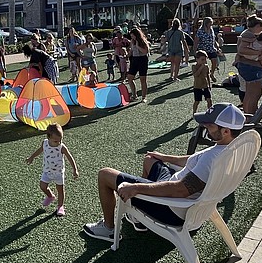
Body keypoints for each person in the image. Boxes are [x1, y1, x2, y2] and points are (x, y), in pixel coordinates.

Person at [83, 103, 248, 241]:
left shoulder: (212, 158)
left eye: (210, 125)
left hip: (172, 207)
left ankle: (109, 228)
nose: (204, 126)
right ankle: (139, 215)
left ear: (225, 131)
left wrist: (137, 188)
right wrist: (164, 157)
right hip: (182, 199)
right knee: (150, 160)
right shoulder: (231, 150)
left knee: (105, 174)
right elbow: (194, 159)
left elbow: (180, 190)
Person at [25, 123, 79, 217]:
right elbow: (40, 150)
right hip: (47, 171)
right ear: (49, 138)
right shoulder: (45, 143)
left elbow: (70, 158)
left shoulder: (61, 147)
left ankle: (60, 206)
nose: (58, 142)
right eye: (55, 141)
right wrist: (32, 157)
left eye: (60, 140)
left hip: (58, 172)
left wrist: (75, 169)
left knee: (60, 190)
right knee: (42, 186)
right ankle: (50, 196)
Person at [234, 15, 262, 116]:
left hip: (249, 66)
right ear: (257, 26)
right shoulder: (249, 35)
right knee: (254, 94)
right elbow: (241, 50)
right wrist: (259, 53)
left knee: (251, 93)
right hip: (251, 67)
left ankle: (249, 115)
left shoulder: (247, 34)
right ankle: (250, 116)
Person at [126, 27, 150, 102]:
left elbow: (146, 51)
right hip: (135, 60)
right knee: (130, 77)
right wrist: (127, 55)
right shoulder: (132, 42)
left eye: (133, 35)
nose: (132, 37)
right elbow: (131, 52)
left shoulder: (142, 41)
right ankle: (134, 95)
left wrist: (137, 46)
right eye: (131, 36)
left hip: (142, 59)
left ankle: (144, 97)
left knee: (142, 79)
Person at [192, 50, 213, 114]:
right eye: (202, 59)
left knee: (209, 100)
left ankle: (210, 112)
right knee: (197, 101)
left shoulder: (206, 66)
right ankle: (194, 112)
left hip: (205, 85)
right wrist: (201, 67)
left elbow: (207, 75)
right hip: (197, 86)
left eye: (205, 60)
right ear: (197, 59)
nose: (204, 61)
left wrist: (209, 84)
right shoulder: (194, 66)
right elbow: (196, 75)